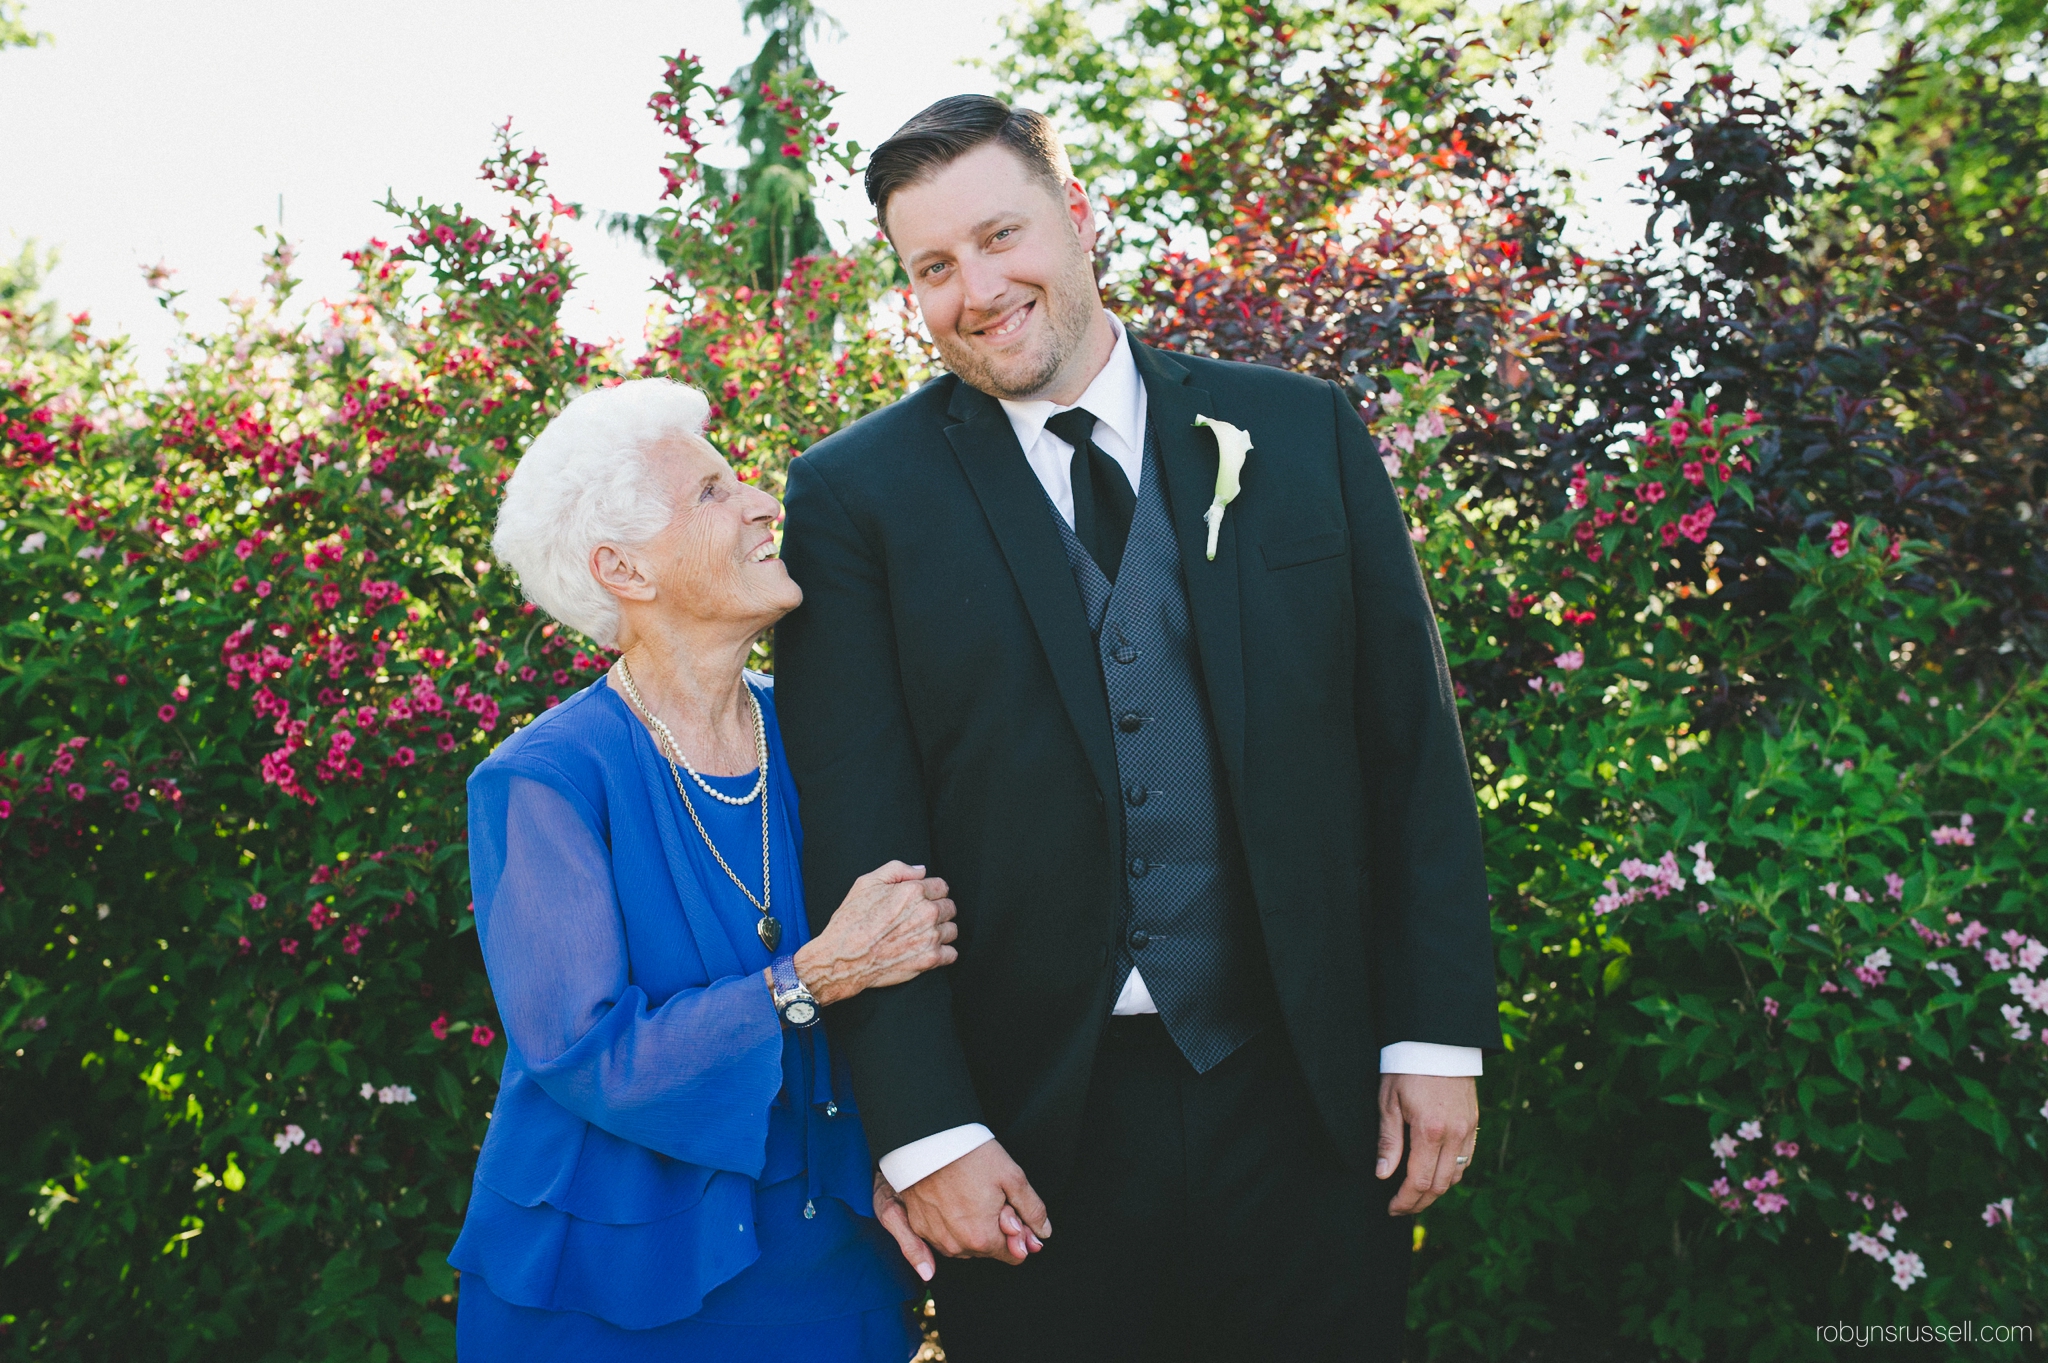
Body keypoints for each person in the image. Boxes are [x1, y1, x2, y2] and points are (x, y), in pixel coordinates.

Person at [775, 97, 1501, 1361]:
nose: (978, 288)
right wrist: (929, 1131)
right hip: (1028, 1138)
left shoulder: (1296, 429)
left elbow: (1407, 749)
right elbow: (858, 833)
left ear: (1079, 217)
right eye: (931, 267)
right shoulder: (852, 499)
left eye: (1001, 234)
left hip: (1307, 1090)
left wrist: (1432, 1035)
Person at [449, 378, 951, 1361]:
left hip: (833, 1259)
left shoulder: (823, 736)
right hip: (606, 1288)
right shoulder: (542, 780)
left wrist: (916, 1139)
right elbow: (588, 1056)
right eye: (716, 492)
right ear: (621, 567)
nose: (767, 504)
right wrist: (813, 977)